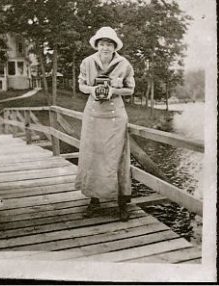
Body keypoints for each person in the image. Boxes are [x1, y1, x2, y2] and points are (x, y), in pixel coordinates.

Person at [75, 27, 136, 217]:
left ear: (114, 46)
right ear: (97, 45)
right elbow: (81, 85)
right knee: (92, 157)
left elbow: (130, 90)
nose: (105, 48)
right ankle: (94, 202)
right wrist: (92, 90)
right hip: (93, 115)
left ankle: (122, 204)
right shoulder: (87, 62)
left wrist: (113, 92)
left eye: (109, 44)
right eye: (102, 44)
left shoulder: (124, 64)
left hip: (115, 117)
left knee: (116, 158)